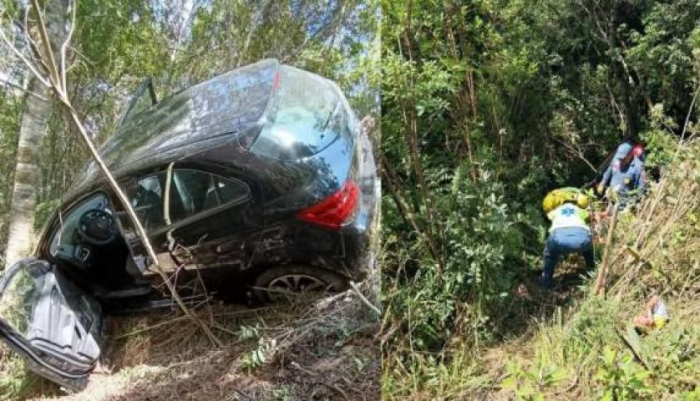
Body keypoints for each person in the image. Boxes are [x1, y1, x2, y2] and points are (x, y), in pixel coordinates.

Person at [540, 188, 594, 289]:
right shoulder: (579, 210)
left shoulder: (556, 211)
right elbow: (589, 218)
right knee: (588, 248)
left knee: (550, 255)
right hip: (582, 240)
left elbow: (548, 216)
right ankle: (592, 272)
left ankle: (546, 282)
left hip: (558, 240)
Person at [597, 142, 647, 208]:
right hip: (610, 199)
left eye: (623, 159)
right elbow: (609, 171)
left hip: (625, 205)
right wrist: (602, 183)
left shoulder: (639, 167)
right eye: (619, 158)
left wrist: (632, 204)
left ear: (630, 154)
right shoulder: (617, 159)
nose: (621, 161)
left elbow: (642, 188)